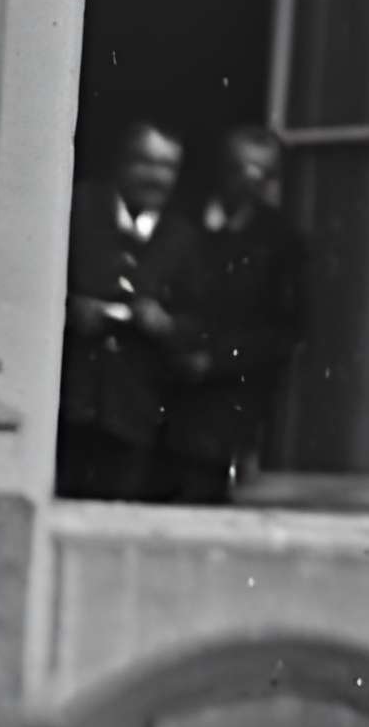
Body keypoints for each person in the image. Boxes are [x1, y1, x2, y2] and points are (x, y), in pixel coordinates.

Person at [150, 122, 309, 506]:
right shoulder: (181, 219)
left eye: (263, 172)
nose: (250, 181)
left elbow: (286, 331)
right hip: (155, 391)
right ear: (223, 168)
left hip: (223, 406)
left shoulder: (281, 241)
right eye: (241, 168)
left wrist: (216, 361)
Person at [56, 120, 187, 501]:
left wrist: (165, 325)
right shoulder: (77, 207)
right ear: (122, 161)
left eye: (168, 167)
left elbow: (203, 324)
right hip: (68, 406)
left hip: (136, 416)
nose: (156, 176)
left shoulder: (185, 237)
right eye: (146, 162)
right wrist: (69, 310)